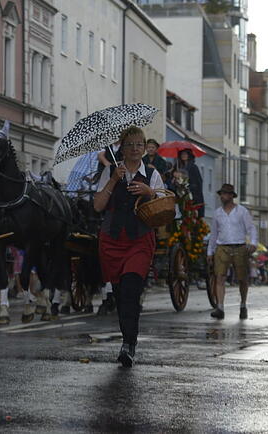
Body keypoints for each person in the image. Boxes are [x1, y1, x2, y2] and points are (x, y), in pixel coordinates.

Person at [92, 126, 166, 368]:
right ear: (121, 148)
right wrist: (113, 179)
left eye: (139, 144)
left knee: (132, 290)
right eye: (130, 144)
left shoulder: (152, 174)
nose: (135, 149)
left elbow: (166, 208)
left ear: (145, 148)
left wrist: (149, 193)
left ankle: (128, 344)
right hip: (112, 239)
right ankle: (127, 340)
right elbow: (98, 206)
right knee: (121, 292)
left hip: (139, 240)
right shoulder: (111, 171)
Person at [206, 183, 257, 320]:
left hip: (240, 246)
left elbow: (251, 228)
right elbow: (214, 234)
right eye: (222, 194)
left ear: (231, 196)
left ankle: (243, 304)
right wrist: (210, 252)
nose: (223, 196)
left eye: (226, 194)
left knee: (242, 279)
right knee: (220, 276)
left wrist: (253, 243)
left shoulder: (242, 211)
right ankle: (220, 307)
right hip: (222, 247)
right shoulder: (217, 213)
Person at [175, 149, 204, 217]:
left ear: (189, 155)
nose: (183, 156)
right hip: (182, 195)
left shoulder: (193, 167)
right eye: (182, 154)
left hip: (193, 196)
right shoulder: (179, 167)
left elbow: (198, 182)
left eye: (185, 154)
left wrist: (188, 187)